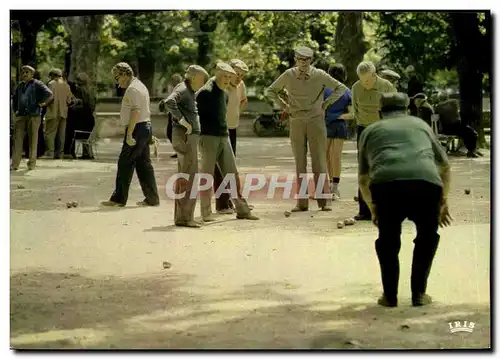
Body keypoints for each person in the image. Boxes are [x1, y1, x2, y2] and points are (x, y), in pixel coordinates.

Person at [358, 92, 452, 307]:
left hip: (386, 186)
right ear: (407, 110)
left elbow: (364, 178)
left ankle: (390, 297)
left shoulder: (370, 131)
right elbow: (445, 166)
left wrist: (373, 208)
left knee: (388, 241)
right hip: (426, 184)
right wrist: (443, 201)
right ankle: (419, 294)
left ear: (380, 112)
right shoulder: (421, 125)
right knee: (427, 237)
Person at [265, 46, 349, 212]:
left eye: (307, 60)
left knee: (319, 160)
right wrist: (284, 106)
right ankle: (301, 203)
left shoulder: (319, 75)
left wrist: (326, 104)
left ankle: (324, 202)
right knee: (300, 162)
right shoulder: (288, 75)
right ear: (295, 59)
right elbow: (270, 91)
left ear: (311, 60)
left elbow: (341, 88)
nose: (303, 63)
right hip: (296, 120)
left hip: (316, 121)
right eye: (300, 59)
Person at [196, 62, 258, 222]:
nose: (227, 80)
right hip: (207, 138)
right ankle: (206, 212)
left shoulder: (225, 93)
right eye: (225, 76)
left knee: (232, 173)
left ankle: (242, 210)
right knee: (207, 176)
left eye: (230, 77)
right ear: (217, 73)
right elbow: (194, 113)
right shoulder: (205, 92)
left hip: (224, 136)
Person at [101, 62, 160, 207]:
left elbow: (135, 111)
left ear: (125, 74)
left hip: (137, 128)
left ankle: (118, 199)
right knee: (143, 164)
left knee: (125, 163)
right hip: (144, 126)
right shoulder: (140, 86)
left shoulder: (133, 89)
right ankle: (152, 198)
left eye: (117, 78)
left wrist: (130, 133)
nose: (117, 82)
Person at [164, 65, 209, 228]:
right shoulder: (183, 88)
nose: (203, 82)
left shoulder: (186, 89)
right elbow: (169, 102)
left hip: (187, 137)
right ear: (195, 77)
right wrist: (183, 121)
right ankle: (186, 218)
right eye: (203, 78)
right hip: (186, 137)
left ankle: (183, 217)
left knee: (186, 177)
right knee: (189, 178)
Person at [351, 61, 396, 221]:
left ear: (374, 75)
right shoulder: (356, 87)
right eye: (362, 81)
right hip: (363, 129)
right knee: (364, 169)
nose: (365, 84)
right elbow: (355, 109)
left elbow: (395, 110)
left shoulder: (386, 86)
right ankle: (364, 211)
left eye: (368, 81)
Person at [214, 59, 249, 214]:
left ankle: (232, 201)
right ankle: (222, 204)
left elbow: (244, 101)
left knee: (231, 168)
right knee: (220, 169)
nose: (239, 78)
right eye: (237, 74)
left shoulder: (240, 86)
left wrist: (235, 114)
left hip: (232, 129)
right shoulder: (222, 86)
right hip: (220, 131)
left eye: (242, 75)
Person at [11, 65, 53, 171]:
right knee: (17, 139)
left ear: (32, 74)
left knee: (33, 140)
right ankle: (15, 164)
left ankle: (31, 163)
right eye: (23, 72)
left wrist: (42, 104)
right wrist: (15, 110)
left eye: (27, 72)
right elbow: (14, 98)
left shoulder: (37, 84)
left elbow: (50, 94)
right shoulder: (20, 85)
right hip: (21, 115)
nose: (24, 74)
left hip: (34, 115)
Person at [323, 63, 353, 200]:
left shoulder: (324, 90)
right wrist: (339, 116)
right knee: (336, 156)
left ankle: (329, 184)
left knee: (326, 156)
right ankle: (335, 186)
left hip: (326, 124)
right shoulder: (347, 91)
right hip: (340, 125)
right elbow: (353, 114)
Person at [435, 92, 481, 158]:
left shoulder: (438, 107)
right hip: (455, 126)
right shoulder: (453, 102)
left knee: (468, 133)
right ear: (447, 97)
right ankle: (471, 151)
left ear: (439, 98)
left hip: (446, 128)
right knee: (473, 134)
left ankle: (471, 151)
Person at [65, 73, 97, 159]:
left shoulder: (78, 90)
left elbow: (78, 106)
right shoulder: (91, 91)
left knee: (69, 129)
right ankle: (87, 153)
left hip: (81, 120)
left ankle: (70, 152)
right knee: (83, 133)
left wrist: (71, 107)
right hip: (90, 121)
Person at [44, 68, 73, 159]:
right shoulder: (66, 85)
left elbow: (50, 97)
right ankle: (60, 153)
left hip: (53, 111)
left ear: (52, 75)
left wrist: (43, 104)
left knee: (50, 133)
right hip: (63, 113)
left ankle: (50, 153)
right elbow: (69, 101)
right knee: (61, 134)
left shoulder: (51, 84)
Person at [164, 73, 183, 158]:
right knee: (169, 133)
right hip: (171, 113)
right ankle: (178, 151)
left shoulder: (181, 89)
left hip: (177, 114)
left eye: (175, 80)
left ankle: (180, 151)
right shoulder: (174, 89)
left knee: (173, 133)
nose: (173, 82)